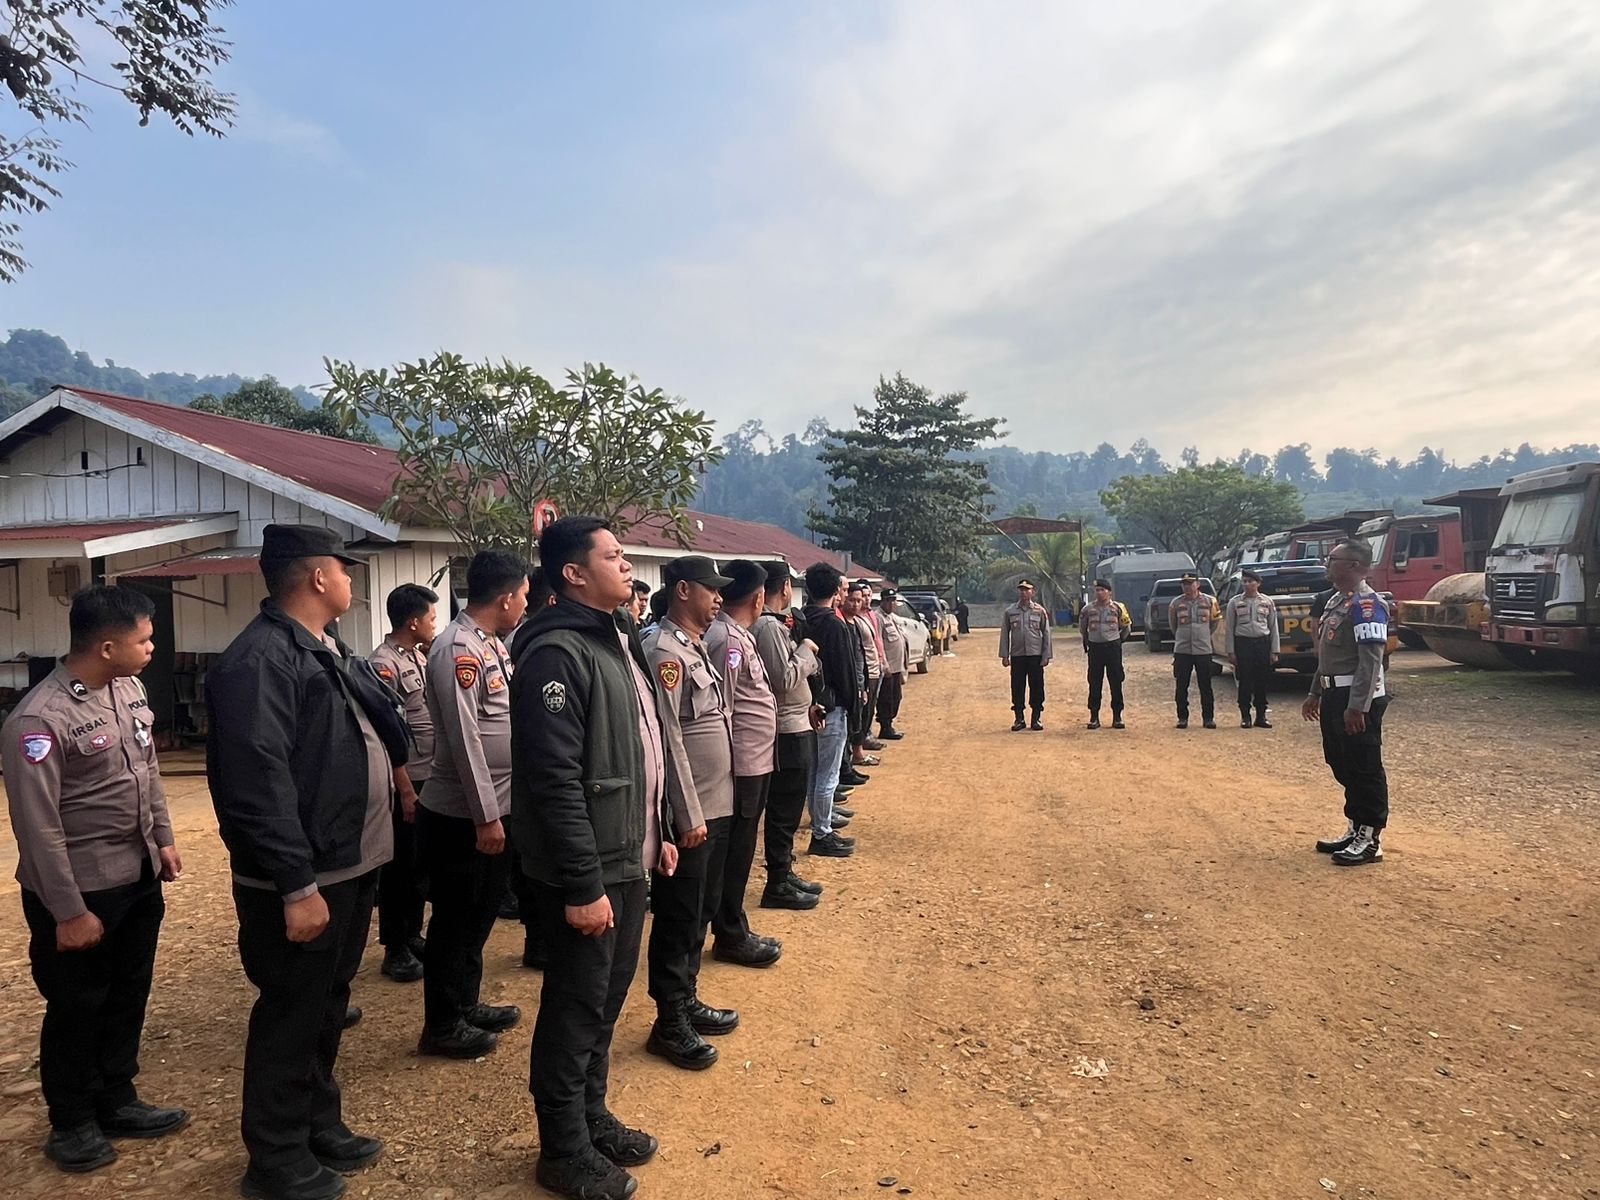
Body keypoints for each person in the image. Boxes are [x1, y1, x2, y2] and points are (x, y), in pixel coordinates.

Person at [209, 524, 408, 1200]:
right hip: (304, 876)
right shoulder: (260, 660)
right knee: (291, 1013)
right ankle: (275, 1159)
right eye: (345, 571)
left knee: (327, 1004)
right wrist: (295, 884)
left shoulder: (323, 647)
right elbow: (256, 782)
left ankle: (317, 1122)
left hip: (347, 862)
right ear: (319, 577)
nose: (352, 581)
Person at [511, 516, 674, 1200]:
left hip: (626, 853)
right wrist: (581, 884)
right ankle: (562, 1148)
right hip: (588, 868)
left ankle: (591, 1114)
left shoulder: (617, 638)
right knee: (575, 1008)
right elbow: (553, 780)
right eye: (613, 556)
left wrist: (660, 827)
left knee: (605, 1001)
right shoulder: (557, 652)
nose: (628, 564)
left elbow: (640, 747)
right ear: (574, 573)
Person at [2, 586, 186, 1175]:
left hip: (136, 874)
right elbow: (38, 828)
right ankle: (73, 1120)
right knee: (78, 1006)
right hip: (81, 890)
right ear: (107, 647)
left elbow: (146, 769)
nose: (152, 648)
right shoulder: (40, 719)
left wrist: (162, 838)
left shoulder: (127, 690)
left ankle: (116, 1098)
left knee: (129, 991)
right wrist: (68, 912)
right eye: (144, 639)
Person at [415, 550, 529, 1059]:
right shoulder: (457, 648)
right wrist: (486, 816)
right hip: (463, 816)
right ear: (505, 598)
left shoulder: (491, 644)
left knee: (479, 914)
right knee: (455, 919)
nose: (524, 604)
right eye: (523, 595)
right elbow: (465, 739)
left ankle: (466, 1002)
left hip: (495, 809)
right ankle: (442, 1025)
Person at [643, 555, 740, 1070]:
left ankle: (687, 997)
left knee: (701, 907)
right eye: (710, 588)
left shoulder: (693, 646)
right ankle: (669, 1020)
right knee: (679, 915)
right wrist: (686, 812)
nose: (719, 597)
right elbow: (667, 736)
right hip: (691, 811)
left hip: (715, 802)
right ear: (683, 590)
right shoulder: (663, 651)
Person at [702, 560, 785, 966]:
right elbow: (725, 709)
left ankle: (735, 926)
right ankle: (730, 934)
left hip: (755, 761)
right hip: (741, 765)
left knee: (742, 849)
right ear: (758, 597)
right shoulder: (727, 641)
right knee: (734, 853)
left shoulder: (738, 636)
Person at [1303, 538, 1392, 867]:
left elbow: (1370, 661)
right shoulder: (1336, 601)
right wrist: (1315, 691)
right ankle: (1355, 827)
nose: (1327, 564)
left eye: (1333, 559)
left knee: (1364, 766)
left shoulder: (1367, 605)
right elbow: (1328, 655)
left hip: (1355, 697)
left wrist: (1358, 707)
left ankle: (1370, 838)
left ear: (1354, 565)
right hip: (1333, 693)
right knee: (1341, 762)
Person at [367, 583, 439, 984]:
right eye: (431, 618)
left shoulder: (418, 657)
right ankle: (395, 947)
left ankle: (412, 934)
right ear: (413, 622)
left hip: (429, 773)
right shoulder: (384, 664)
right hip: (407, 779)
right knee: (400, 869)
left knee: (419, 866)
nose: (434, 624)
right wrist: (406, 790)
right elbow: (386, 734)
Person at [752, 563, 824, 910]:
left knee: (791, 808)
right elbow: (783, 679)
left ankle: (785, 871)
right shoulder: (768, 626)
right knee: (784, 810)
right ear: (783, 588)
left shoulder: (774, 624)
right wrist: (806, 650)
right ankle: (777, 881)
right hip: (786, 730)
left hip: (796, 723)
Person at [800, 562, 860, 858]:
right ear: (837, 591)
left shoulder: (800, 620)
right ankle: (822, 831)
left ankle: (820, 823)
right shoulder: (834, 625)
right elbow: (844, 671)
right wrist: (853, 706)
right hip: (831, 705)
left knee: (815, 771)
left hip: (807, 704)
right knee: (828, 773)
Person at [1226, 569, 1280, 729]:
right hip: (1243, 644)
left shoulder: (1267, 602)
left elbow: (1273, 627)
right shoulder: (1234, 602)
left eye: (1250, 581)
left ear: (1258, 583)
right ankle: (1245, 716)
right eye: (1244, 581)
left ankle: (1261, 716)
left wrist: (1274, 651)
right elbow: (1229, 628)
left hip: (1262, 644)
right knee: (1245, 681)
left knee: (1261, 680)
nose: (1247, 584)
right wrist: (1231, 651)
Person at [1168, 573, 1221, 730]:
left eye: (1190, 583)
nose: (1187, 586)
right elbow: (1173, 625)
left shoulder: (1210, 601)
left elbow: (1214, 623)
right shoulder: (1176, 603)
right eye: (1184, 584)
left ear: (1197, 584)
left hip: (1203, 649)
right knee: (1181, 685)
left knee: (1205, 685)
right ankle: (1182, 718)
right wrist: (1182, 637)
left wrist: (1203, 635)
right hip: (1182, 650)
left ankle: (1208, 718)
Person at [999, 580, 1052, 731]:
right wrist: (1004, 655)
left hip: (1035, 655)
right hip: (1018, 655)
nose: (1023, 593)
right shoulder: (1010, 611)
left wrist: (1046, 655)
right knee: (1017, 686)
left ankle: (1036, 718)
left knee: (1037, 687)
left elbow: (1046, 633)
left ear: (1033, 592)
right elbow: (1005, 634)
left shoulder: (1039, 611)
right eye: (1021, 590)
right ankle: (1019, 718)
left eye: (1027, 590)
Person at [1078, 579, 1131, 729]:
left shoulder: (1118, 607)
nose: (1099, 593)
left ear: (1109, 592)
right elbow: (1083, 628)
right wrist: (1089, 641)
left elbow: (1126, 627)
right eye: (1097, 590)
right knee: (1095, 682)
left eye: (1102, 590)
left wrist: (1118, 641)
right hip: (1095, 648)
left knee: (1116, 681)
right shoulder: (1087, 609)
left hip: (1112, 647)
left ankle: (1117, 716)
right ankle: (1094, 717)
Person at [874, 589, 908, 740]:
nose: (892, 604)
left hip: (897, 666)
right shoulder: (878, 617)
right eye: (889, 600)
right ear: (883, 601)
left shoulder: (893, 618)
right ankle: (885, 727)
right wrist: (884, 664)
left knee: (896, 697)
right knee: (886, 699)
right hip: (888, 667)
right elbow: (878, 642)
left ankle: (890, 724)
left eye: (894, 600)